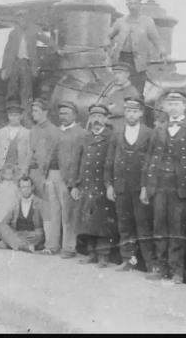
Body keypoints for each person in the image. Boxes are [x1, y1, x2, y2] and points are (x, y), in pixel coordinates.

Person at [140, 90, 186, 284]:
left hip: (181, 187)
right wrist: (145, 187)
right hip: (158, 186)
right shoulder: (159, 129)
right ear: (165, 107)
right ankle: (160, 267)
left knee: (176, 229)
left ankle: (177, 271)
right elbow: (148, 160)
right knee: (159, 227)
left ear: (184, 107)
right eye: (169, 104)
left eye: (177, 104)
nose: (173, 108)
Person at [104, 97, 154, 272]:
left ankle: (150, 263)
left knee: (143, 226)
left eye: (135, 111)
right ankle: (128, 260)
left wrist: (146, 187)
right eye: (128, 111)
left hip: (140, 188)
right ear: (124, 112)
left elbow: (151, 163)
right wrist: (109, 185)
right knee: (124, 225)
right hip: (121, 187)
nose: (131, 115)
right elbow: (109, 160)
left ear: (140, 113)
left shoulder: (149, 133)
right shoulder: (117, 133)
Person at [75, 103, 119, 267]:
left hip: (103, 185)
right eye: (94, 117)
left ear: (105, 119)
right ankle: (91, 253)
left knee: (103, 223)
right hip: (87, 185)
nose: (96, 120)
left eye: (100, 117)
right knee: (88, 221)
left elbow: (113, 163)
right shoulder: (85, 138)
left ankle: (103, 256)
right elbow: (78, 162)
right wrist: (75, 184)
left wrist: (110, 185)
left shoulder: (111, 137)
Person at [44, 100, 88, 258]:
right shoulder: (55, 132)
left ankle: (69, 248)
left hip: (68, 178)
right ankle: (52, 245)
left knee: (68, 214)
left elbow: (83, 160)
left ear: (75, 115)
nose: (63, 116)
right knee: (53, 212)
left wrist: (76, 182)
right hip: (51, 175)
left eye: (66, 113)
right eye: (61, 113)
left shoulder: (81, 133)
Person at [107, 0, 167, 96]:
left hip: (139, 62)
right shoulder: (120, 21)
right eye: (130, 3)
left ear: (140, 5)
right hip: (122, 59)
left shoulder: (147, 22)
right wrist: (109, 51)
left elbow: (156, 39)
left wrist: (163, 51)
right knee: (120, 86)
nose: (132, 6)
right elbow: (108, 37)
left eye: (135, 3)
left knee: (137, 88)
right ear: (127, 5)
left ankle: (138, 106)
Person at [0, 9, 54, 110]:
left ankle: (26, 116)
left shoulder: (34, 30)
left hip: (27, 65)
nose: (22, 20)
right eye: (20, 18)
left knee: (26, 92)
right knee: (12, 89)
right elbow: (7, 51)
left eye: (24, 18)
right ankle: (12, 114)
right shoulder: (13, 33)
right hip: (14, 64)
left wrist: (57, 48)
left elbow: (47, 40)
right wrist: (4, 68)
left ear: (27, 19)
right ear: (17, 20)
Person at [0, 103, 31, 232]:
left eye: (17, 115)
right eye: (12, 115)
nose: (14, 118)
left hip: (18, 173)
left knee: (15, 199)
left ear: (21, 116)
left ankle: (13, 228)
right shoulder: (0, 133)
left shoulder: (27, 133)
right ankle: (0, 229)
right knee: (2, 200)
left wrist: (25, 170)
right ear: (8, 116)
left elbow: (30, 153)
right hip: (4, 172)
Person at [0, 176, 47, 252]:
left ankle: (13, 243)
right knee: (0, 227)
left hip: (33, 234)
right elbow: (4, 223)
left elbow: (45, 224)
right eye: (23, 187)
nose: (25, 189)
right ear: (19, 188)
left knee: (39, 235)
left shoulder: (40, 203)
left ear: (32, 187)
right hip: (18, 233)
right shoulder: (15, 203)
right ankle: (24, 246)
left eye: (27, 187)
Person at [27, 98, 61, 202]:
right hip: (32, 174)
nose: (33, 113)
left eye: (36, 111)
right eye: (33, 111)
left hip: (46, 175)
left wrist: (45, 176)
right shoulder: (33, 130)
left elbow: (52, 156)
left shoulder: (54, 131)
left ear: (45, 112)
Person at [102, 62, 140, 130]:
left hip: (124, 128)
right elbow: (103, 108)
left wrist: (111, 109)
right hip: (110, 128)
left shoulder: (132, 91)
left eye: (119, 73)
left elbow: (124, 111)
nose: (117, 76)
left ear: (127, 74)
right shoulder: (113, 92)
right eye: (115, 73)